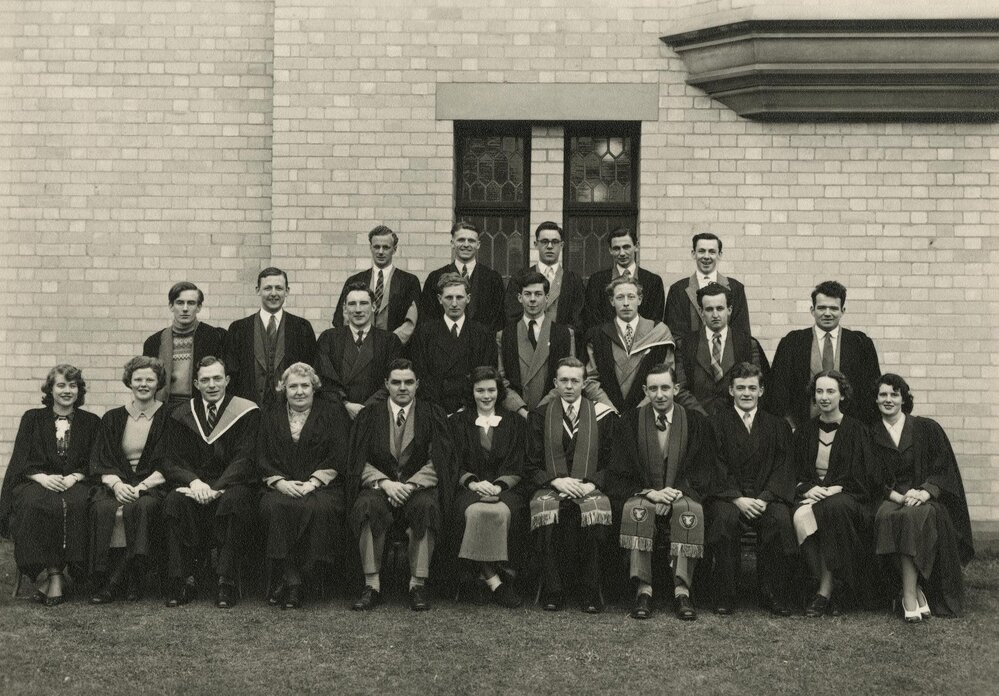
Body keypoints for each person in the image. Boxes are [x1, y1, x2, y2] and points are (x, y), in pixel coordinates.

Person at [607, 365, 713, 621]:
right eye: (653, 388)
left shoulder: (696, 422)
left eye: (665, 387)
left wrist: (675, 492)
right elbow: (619, 470)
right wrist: (650, 493)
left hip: (681, 491)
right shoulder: (629, 422)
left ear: (676, 389)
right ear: (645, 391)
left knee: (689, 510)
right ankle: (643, 589)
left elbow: (703, 469)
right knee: (637, 510)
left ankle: (682, 590)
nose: (660, 394)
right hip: (645, 493)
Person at [348, 359, 454, 612]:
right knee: (366, 506)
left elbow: (439, 459)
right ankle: (372, 584)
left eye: (408, 382)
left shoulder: (432, 414)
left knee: (426, 507)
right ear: (386, 384)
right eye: (396, 382)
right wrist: (385, 483)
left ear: (417, 384)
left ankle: (417, 584)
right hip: (379, 488)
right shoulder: (369, 415)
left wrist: (411, 485)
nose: (403, 387)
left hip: (417, 488)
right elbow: (357, 460)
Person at [870, 373, 974, 620]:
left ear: (904, 399)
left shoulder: (926, 428)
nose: (888, 399)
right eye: (883, 394)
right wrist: (897, 497)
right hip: (890, 497)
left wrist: (925, 491)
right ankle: (916, 591)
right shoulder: (870, 434)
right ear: (875, 400)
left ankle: (908, 595)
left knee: (912, 518)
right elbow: (869, 476)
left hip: (923, 497)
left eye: (894, 394)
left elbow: (944, 469)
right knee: (884, 517)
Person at [159, 356, 260, 609]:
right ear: (196, 383)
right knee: (174, 501)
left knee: (235, 501)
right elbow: (171, 459)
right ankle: (183, 580)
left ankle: (226, 581)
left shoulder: (246, 412)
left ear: (227, 380)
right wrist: (194, 483)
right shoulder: (180, 414)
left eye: (217, 378)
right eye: (205, 380)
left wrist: (217, 487)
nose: (212, 384)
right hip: (195, 485)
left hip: (231, 483)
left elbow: (246, 457)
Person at [0, 365, 100, 606]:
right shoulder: (32, 418)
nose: (67, 391)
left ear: (79, 390)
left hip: (77, 481)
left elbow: (95, 460)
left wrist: (75, 476)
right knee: (37, 503)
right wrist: (42, 477)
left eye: (73, 386)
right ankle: (55, 575)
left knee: (78, 503)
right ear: (51, 389)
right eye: (61, 385)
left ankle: (62, 576)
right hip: (36, 480)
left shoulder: (91, 422)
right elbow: (21, 458)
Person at [704, 362, 797, 616]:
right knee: (724, 519)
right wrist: (737, 498)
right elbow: (714, 466)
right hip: (728, 496)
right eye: (741, 387)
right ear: (731, 390)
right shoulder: (715, 424)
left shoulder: (777, 426)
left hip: (766, 496)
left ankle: (772, 594)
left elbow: (783, 467)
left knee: (779, 519)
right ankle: (726, 594)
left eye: (752, 388)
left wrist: (765, 498)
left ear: (761, 391)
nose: (747, 393)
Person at [525, 357, 616, 614]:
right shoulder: (540, 415)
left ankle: (590, 591)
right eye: (563, 380)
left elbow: (613, 461)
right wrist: (555, 480)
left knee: (595, 511)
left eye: (575, 381)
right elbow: (530, 462)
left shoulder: (603, 415)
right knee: (546, 512)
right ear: (555, 383)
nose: (568, 386)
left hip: (589, 486)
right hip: (552, 484)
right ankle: (554, 590)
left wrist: (592, 484)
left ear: (584, 383)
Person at [257, 363, 351, 610]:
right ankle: (292, 580)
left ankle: (305, 576)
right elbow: (261, 454)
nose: (299, 391)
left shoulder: (332, 412)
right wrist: (280, 482)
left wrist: (313, 482)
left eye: (305, 386)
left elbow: (339, 452)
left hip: (322, 484)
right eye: (293, 386)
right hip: (281, 483)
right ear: (284, 389)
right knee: (275, 507)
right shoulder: (271, 414)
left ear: (314, 387)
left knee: (320, 509)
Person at [88, 356, 171, 604]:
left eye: (149, 379)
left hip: (155, 485)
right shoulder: (112, 418)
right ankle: (109, 575)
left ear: (158, 383)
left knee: (143, 507)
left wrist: (143, 486)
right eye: (138, 379)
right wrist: (116, 485)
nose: (143, 384)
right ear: (129, 382)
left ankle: (121, 580)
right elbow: (101, 458)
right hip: (119, 483)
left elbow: (173, 460)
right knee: (103, 508)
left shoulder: (170, 417)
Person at [791, 370, 874, 617]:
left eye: (830, 391)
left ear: (842, 395)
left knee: (831, 509)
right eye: (819, 391)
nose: (824, 397)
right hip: (812, 494)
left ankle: (824, 592)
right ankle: (829, 585)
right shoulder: (804, 431)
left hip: (847, 496)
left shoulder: (857, 430)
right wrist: (808, 488)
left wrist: (837, 488)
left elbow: (865, 475)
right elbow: (792, 471)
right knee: (800, 517)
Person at [450, 367, 527, 608]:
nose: (486, 396)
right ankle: (495, 581)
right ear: (471, 392)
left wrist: (498, 486)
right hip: (468, 488)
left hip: (506, 489)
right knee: (474, 512)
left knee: (502, 513)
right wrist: (473, 482)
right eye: (480, 390)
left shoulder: (515, 422)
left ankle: (485, 576)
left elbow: (518, 461)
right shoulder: (456, 422)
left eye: (491, 390)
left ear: (499, 391)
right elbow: (452, 462)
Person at [765, 280, 881, 429]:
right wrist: (788, 428)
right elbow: (778, 391)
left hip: (850, 432)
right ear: (812, 310)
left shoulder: (860, 344)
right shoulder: (792, 343)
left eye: (833, 308)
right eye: (821, 308)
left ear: (843, 311)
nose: (827, 313)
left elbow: (871, 392)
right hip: (802, 431)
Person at [583, 276, 696, 414]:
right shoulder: (598, 335)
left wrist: (639, 412)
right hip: (608, 414)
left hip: (648, 413)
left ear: (640, 299)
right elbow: (591, 380)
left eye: (631, 297)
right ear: (612, 301)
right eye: (620, 297)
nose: (626, 303)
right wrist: (610, 410)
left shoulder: (658, 332)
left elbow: (666, 376)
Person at [224, 267, 317, 408]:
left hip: (289, 410)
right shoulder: (239, 329)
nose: (273, 293)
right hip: (249, 409)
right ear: (258, 290)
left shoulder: (302, 328)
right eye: (268, 288)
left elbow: (311, 373)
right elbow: (231, 376)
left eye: (279, 288)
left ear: (287, 291)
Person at [411, 273, 498, 415]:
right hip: (434, 412)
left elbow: (486, 376)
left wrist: (465, 409)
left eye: (459, 297)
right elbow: (420, 375)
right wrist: (438, 411)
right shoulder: (424, 333)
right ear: (439, 299)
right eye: (449, 297)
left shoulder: (483, 334)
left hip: (470, 412)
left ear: (468, 299)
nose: (454, 304)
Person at [675, 283, 768, 416]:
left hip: (735, 422)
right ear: (701, 311)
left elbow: (755, 385)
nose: (715, 314)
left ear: (729, 310)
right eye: (709, 309)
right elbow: (680, 389)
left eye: (720, 308)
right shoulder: (686, 345)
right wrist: (703, 419)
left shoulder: (747, 344)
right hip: (697, 421)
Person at [315, 282, 402, 419]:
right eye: (352, 304)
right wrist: (345, 404)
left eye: (363, 303)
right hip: (337, 415)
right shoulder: (329, 338)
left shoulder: (390, 341)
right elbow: (323, 378)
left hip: (376, 415)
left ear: (373, 307)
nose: (358, 310)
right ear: (344, 308)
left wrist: (366, 409)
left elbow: (393, 380)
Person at [499, 271, 574, 417]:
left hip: (551, 413)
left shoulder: (564, 334)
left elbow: (569, 376)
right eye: (527, 294)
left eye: (538, 294)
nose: (532, 299)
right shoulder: (505, 335)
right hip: (516, 415)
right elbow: (500, 380)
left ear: (547, 298)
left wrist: (540, 412)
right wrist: (521, 410)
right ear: (520, 298)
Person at [332, 225, 421, 346]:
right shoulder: (354, 280)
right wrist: (358, 341)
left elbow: (412, 322)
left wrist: (390, 342)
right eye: (376, 247)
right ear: (371, 248)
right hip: (359, 348)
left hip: (396, 348)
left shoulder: (409, 281)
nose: (380, 252)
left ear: (394, 249)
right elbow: (342, 318)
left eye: (386, 247)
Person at [143, 281, 227, 407]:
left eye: (191, 303)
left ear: (199, 307)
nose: (185, 309)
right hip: (164, 407)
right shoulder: (154, 342)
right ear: (171, 306)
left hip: (201, 406)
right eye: (180, 303)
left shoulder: (215, 337)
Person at [503, 221, 585, 343]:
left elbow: (579, 319)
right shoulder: (520, 277)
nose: (550, 246)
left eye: (555, 242)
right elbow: (512, 314)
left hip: (562, 344)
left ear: (562, 245)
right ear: (536, 244)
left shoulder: (573, 280)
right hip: (527, 343)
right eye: (545, 241)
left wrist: (560, 335)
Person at [420, 221, 506, 334]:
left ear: (478, 245)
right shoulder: (435, 278)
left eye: (471, 241)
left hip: (482, 342)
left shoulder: (493, 279)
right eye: (461, 240)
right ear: (452, 243)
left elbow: (498, 319)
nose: (466, 244)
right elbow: (428, 317)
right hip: (444, 341)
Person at [665, 232, 751, 338]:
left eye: (712, 252)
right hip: (690, 348)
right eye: (701, 251)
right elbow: (674, 333)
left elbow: (742, 332)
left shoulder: (735, 288)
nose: (706, 256)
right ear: (693, 254)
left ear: (720, 255)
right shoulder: (678, 290)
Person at [583, 227, 665, 330]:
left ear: (636, 246)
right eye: (616, 248)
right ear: (610, 250)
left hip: (643, 339)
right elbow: (592, 319)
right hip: (605, 339)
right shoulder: (596, 281)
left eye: (626, 247)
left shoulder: (653, 282)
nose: (622, 253)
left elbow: (654, 320)